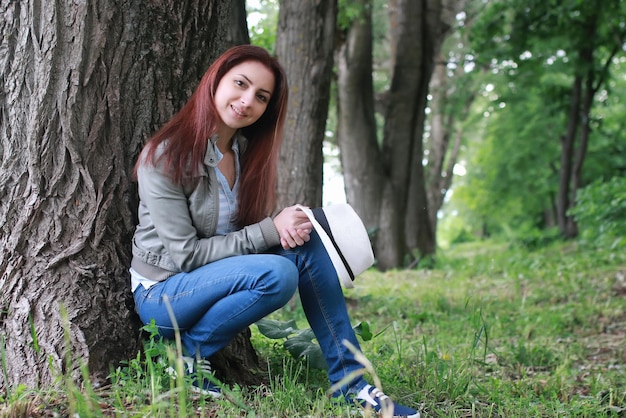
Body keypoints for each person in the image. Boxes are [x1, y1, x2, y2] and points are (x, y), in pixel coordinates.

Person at [129, 44, 420, 418]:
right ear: (215, 81)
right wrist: (269, 229)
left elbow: (241, 238)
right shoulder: (165, 156)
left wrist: (286, 230)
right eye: (241, 83)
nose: (247, 100)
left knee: (307, 245)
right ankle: (186, 357)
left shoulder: (245, 153)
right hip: (163, 294)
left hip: (212, 280)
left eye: (261, 96)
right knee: (277, 272)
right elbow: (186, 256)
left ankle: (353, 384)